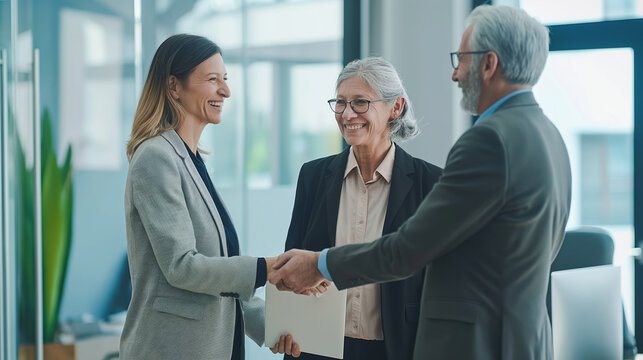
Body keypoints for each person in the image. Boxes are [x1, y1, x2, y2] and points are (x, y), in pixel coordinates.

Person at [269, 5, 572, 360]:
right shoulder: (550, 136)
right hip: (518, 338)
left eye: (462, 59)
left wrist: (321, 264)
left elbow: (406, 251)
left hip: (479, 343)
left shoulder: (488, 141)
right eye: (341, 102)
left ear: (489, 64)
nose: (455, 75)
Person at [120, 34, 300, 359]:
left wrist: (275, 328)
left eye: (226, 80)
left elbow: (219, 281)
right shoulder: (156, 157)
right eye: (213, 79)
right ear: (174, 86)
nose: (226, 91)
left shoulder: (193, 162)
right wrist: (266, 269)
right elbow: (181, 266)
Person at [283, 57, 442, 360]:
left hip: (396, 349)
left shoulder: (431, 184)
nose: (346, 114)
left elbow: (436, 281)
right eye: (340, 103)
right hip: (318, 347)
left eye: (360, 102)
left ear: (395, 107)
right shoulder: (313, 176)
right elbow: (295, 263)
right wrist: (287, 326)